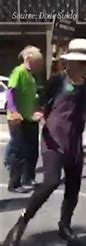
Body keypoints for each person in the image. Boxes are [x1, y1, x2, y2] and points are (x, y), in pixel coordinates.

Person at [3, 39, 86, 246]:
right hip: (53, 139)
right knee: (51, 182)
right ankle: (21, 223)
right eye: (80, 62)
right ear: (71, 62)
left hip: (74, 140)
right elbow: (41, 102)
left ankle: (64, 226)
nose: (84, 66)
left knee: (73, 188)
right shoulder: (57, 80)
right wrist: (36, 113)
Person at [6, 45, 44, 193]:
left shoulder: (31, 76)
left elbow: (33, 98)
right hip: (19, 119)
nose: (39, 66)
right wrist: (14, 111)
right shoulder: (19, 72)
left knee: (32, 152)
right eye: (37, 62)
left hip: (30, 118)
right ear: (28, 58)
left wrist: (38, 112)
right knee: (19, 152)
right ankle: (14, 183)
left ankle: (28, 178)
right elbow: (11, 93)